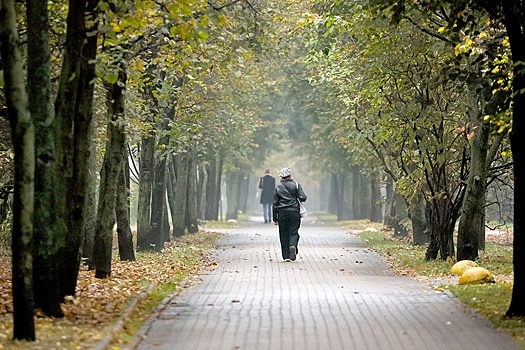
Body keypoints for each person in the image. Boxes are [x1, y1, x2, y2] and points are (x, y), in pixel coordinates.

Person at [272, 167, 307, 262]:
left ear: (281, 177)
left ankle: (286, 255)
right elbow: (303, 197)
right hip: (294, 212)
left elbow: (275, 203)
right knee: (294, 231)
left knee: (283, 233)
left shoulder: (277, 187)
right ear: (290, 175)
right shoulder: (296, 185)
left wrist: (275, 218)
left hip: (282, 212)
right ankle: (293, 245)